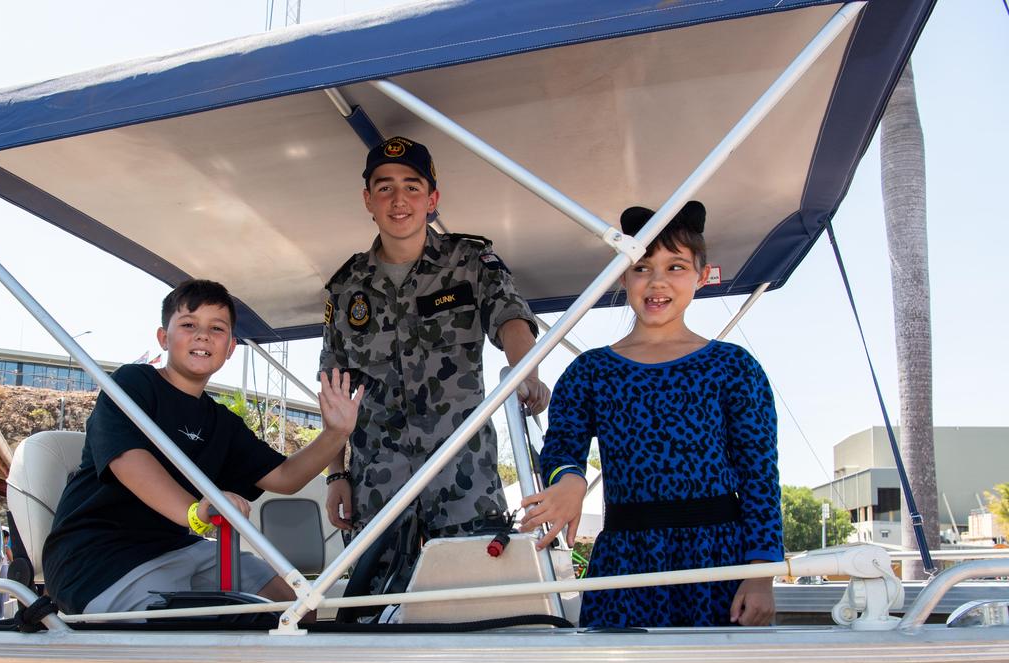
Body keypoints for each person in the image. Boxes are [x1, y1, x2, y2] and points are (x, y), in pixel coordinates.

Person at [522, 201, 782, 627]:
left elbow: (759, 479)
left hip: (719, 563)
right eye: (642, 267)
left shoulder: (735, 367)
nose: (657, 281)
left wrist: (760, 576)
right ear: (623, 276)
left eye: (675, 266)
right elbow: (560, 450)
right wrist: (569, 479)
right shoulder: (590, 371)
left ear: (701, 274)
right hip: (626, 560)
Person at [42, 279, 361, 615]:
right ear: (164, 339)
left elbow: (285, 476)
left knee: (299, 610)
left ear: (231, 348)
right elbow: (128, 460)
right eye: (188, 325)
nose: (203, 335)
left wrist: (336, 433)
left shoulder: (221, 422)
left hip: (176, 548)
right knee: (190, 629)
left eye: (216, 328)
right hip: (97, 560)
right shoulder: (133, 383)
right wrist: (195, 512)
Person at [320, 135, 550, 572]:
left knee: (474, 605)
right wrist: (337, 475)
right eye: (384, 187)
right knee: (376, 618)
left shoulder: (471, 262)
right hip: (378, 484)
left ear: (433, 199)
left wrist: (527, 374)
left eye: (412, 186)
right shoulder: (345, 286)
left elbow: (511, 320)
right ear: (368, 199)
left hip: (464, 479)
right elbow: (334, 386)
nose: (399, 199)